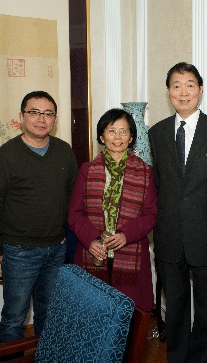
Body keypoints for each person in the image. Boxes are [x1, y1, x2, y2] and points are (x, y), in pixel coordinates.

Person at [148, 62, 207, 363]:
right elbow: (157, 186)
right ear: (168, 92)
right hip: (169, 235)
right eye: (176, 85)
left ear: (200, 90)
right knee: (174, 309)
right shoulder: (156, 133)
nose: (182, 92)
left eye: (189, 84)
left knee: (206, 310)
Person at [0, 90, 78, 346]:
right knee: (14, 317)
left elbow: (72, 198)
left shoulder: (64, 152)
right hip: (19, 251)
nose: (41, 119)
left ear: (55, 119)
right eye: (34, 112)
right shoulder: (6, 155)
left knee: (49, 313)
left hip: (56, 249)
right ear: (22, 116)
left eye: (48, 114)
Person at [68, 108, 157, 311]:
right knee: (93, 315)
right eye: (111, 130)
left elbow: (151, 215)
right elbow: (75, 213)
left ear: (131, 137)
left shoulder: (146, 172)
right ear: (101, 136)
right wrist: (91, 240)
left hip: (131, 255)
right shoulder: (87, 170)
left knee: (128, 318)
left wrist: (126, 235)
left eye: (123, 131)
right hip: (92, 254)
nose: (117, 137)